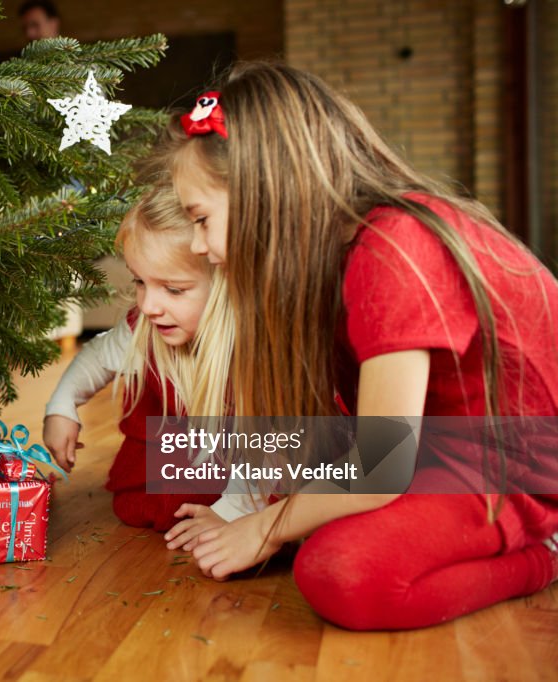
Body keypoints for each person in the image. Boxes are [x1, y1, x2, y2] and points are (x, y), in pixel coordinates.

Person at [162, 62, 558, 630]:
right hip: (445, 453)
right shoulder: (336, 258)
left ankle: (544, 552)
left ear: (266, 191)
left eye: (201, 219)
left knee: (341, 570)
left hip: (515, 472)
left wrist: (267, 527)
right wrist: (256, 511)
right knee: (321, 520)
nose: (198, 245)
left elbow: (380, 464)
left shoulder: (393, 249)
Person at [43, 183, 247, 532]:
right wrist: (62, 406)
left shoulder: (252, 344)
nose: (148, 306)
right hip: (168, 468)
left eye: (173, 289)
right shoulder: (146, 328)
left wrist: (233, 514)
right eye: (140, 282)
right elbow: (96, 357)